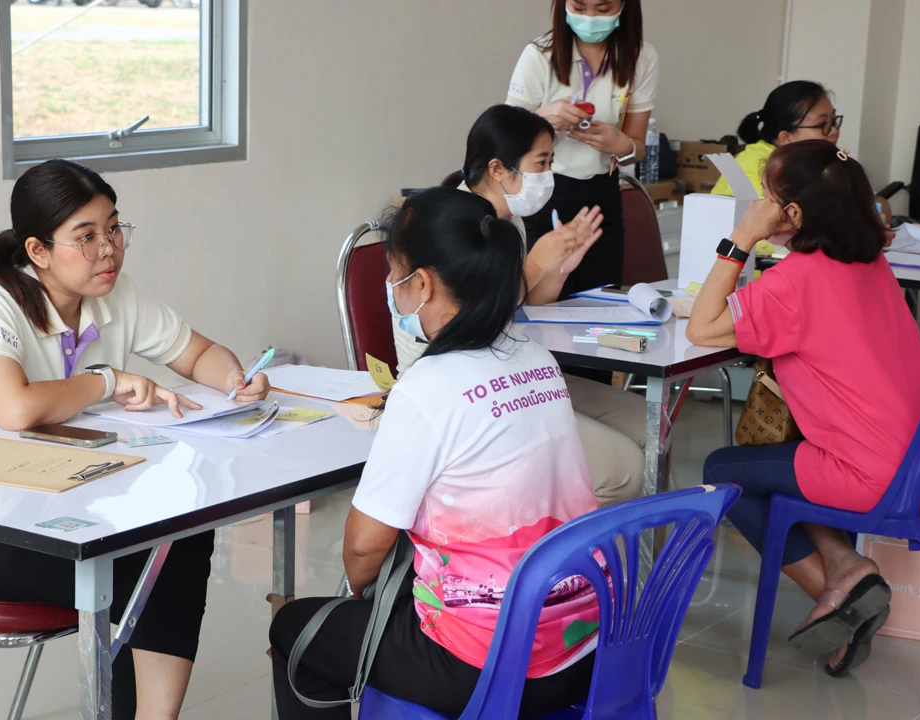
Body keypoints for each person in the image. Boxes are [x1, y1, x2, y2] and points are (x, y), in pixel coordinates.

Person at [0, 159, 270, 720]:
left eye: (113, 228)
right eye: (86, 237)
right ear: (38, 251)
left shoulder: (114, 293)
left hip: (56, 506)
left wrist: (233, 378)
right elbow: (15, 408)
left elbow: (199, 353)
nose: (108, 249)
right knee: (143, 563)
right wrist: (108, 380)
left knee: (178, 537)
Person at [270, 188, 600, 718]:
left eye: (392, 274)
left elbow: (364, 548)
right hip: (583, 642)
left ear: (420, 284)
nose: (388, 289)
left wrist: (360, 596)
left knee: (295, 629)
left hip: (485, 665)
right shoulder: (537, 358)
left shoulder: (429, 385)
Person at [687, 140, 920, 677]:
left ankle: (841, 587)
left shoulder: (794, 282)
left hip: (879, 476)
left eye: (766, 197)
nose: (760, 205)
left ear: (794, 213)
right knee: (791, 459)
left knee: (722, 472)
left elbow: (701, 328)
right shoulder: (869, 262)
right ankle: (846, 568)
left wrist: (740, 238)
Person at [397, 103, 646, 505]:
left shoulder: (508, 222)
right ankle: (557, 558)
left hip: (510, 369)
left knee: (650, 423)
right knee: (625, 469)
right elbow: (467, 317)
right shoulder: (448, 224)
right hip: (464, 385)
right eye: (541, 163)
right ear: (498, 168)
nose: (549, 176)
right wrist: (536, 265)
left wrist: (559, 270)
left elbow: (523, 304)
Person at [507, 0, 658, 298]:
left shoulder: (641, 58)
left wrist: (620, 144)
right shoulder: (539, 55)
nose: (590, 18)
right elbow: (505, 135)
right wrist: (541, 120)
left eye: (602, 10)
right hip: (544, 192)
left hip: (601, 196)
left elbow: (636, 147)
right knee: (541, 303)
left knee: (599, 303)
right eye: (579, 7)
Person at [713, 80, 891, 226]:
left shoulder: (807, 162)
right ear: (786, 137)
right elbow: (784, 228)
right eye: (822, 125)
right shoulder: (761, 166)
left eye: (834, 121)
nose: (834, 131)